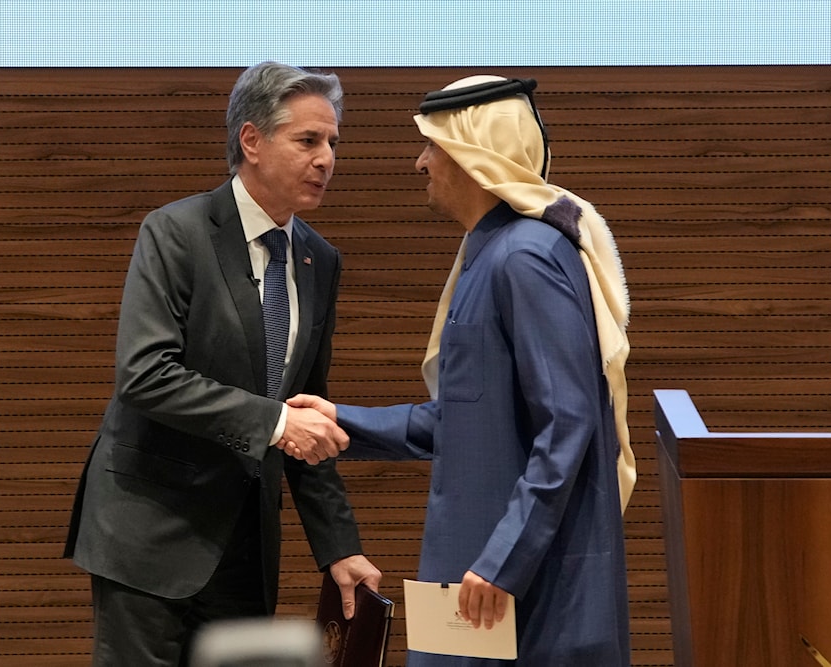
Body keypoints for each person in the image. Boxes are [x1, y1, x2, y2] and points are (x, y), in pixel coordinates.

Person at [284, 75, 635, 665]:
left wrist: (505, 561)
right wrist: (341, 421)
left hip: (522, 594)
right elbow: (465, 421)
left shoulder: (525, 257)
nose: (420, 163)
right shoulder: (492, 253)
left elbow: (568, 425)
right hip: (483, 582)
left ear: (474, 156)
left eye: (432, 147)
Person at [64, 61, 381, 667]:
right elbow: (145, 374)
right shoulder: (177, 231)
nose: (326, 158)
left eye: (333, 142)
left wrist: (338, 546)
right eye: (308, 140)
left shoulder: (321, 261)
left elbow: (304, 412)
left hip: (243, 547)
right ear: (252, 140)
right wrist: (277, 424)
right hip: (148, 534)